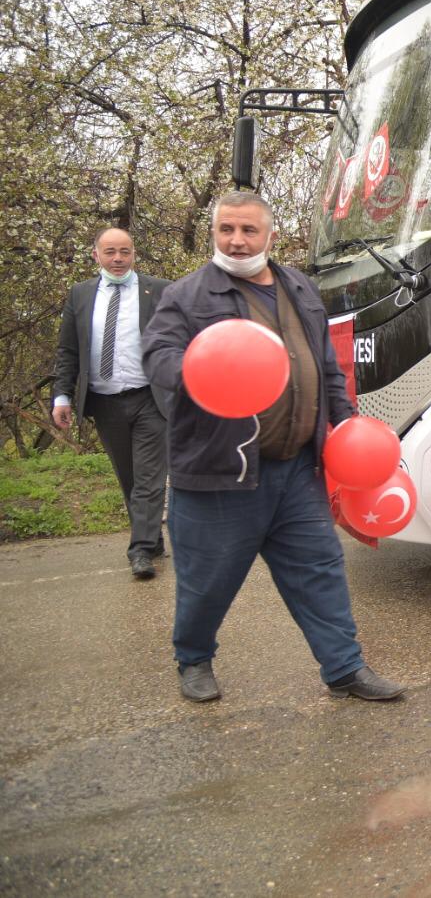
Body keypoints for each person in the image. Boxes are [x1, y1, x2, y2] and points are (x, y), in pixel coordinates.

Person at [141, 191, 403, 704]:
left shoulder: (299, 287)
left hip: (297, 470)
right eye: (226, 230)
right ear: (213, 233)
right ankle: (194, 659)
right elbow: (157, 356)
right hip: (220, 474)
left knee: (320, 570)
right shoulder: (188, 296)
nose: (237, 241)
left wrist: (345, 425)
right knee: (207, 583)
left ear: (269, 236)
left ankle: (344, 667)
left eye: (248, 231)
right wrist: (201, 375)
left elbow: (326, 367)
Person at [52, 228, 173, 579]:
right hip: (105, 402)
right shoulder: (80, 295)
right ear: (96, 255)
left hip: (151, 398)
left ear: (134, 254)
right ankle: (152, 539)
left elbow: (180, 339)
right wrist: (62, 395)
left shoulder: (159, 290)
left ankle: (139, 551)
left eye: (124, 251)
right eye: (110, 252)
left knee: (150, 478)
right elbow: (68, 350)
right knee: (130, 478)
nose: (118, 259)